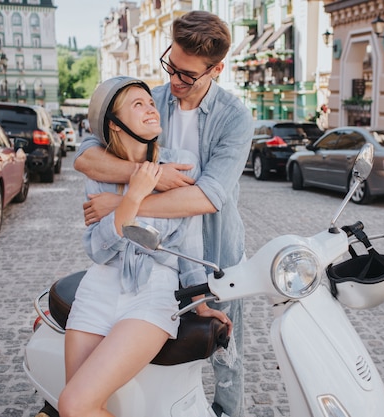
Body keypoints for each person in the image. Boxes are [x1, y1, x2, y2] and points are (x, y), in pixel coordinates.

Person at [74, 11, 253, 417]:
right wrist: (145, 177)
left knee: (227, 357)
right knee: (161, 355)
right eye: (170, 65)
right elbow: (86, 157)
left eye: (187, 75)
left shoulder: (235, 118)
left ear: (217, 69)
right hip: (161, 260)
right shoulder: (150, 99)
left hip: (218, 256)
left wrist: (125, 204)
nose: (174, 81)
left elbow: (208, 197)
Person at [58, 76, 231, 417]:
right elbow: (97, 249)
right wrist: (134, 193)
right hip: (98, 289)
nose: (151, 108)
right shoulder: (99, 170)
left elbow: (189, 245)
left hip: (153, 293)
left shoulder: (180, 162)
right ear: (115, 125)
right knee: (77, 409)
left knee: (74, 404)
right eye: (138, 105)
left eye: (151, 102)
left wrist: (200, 303)